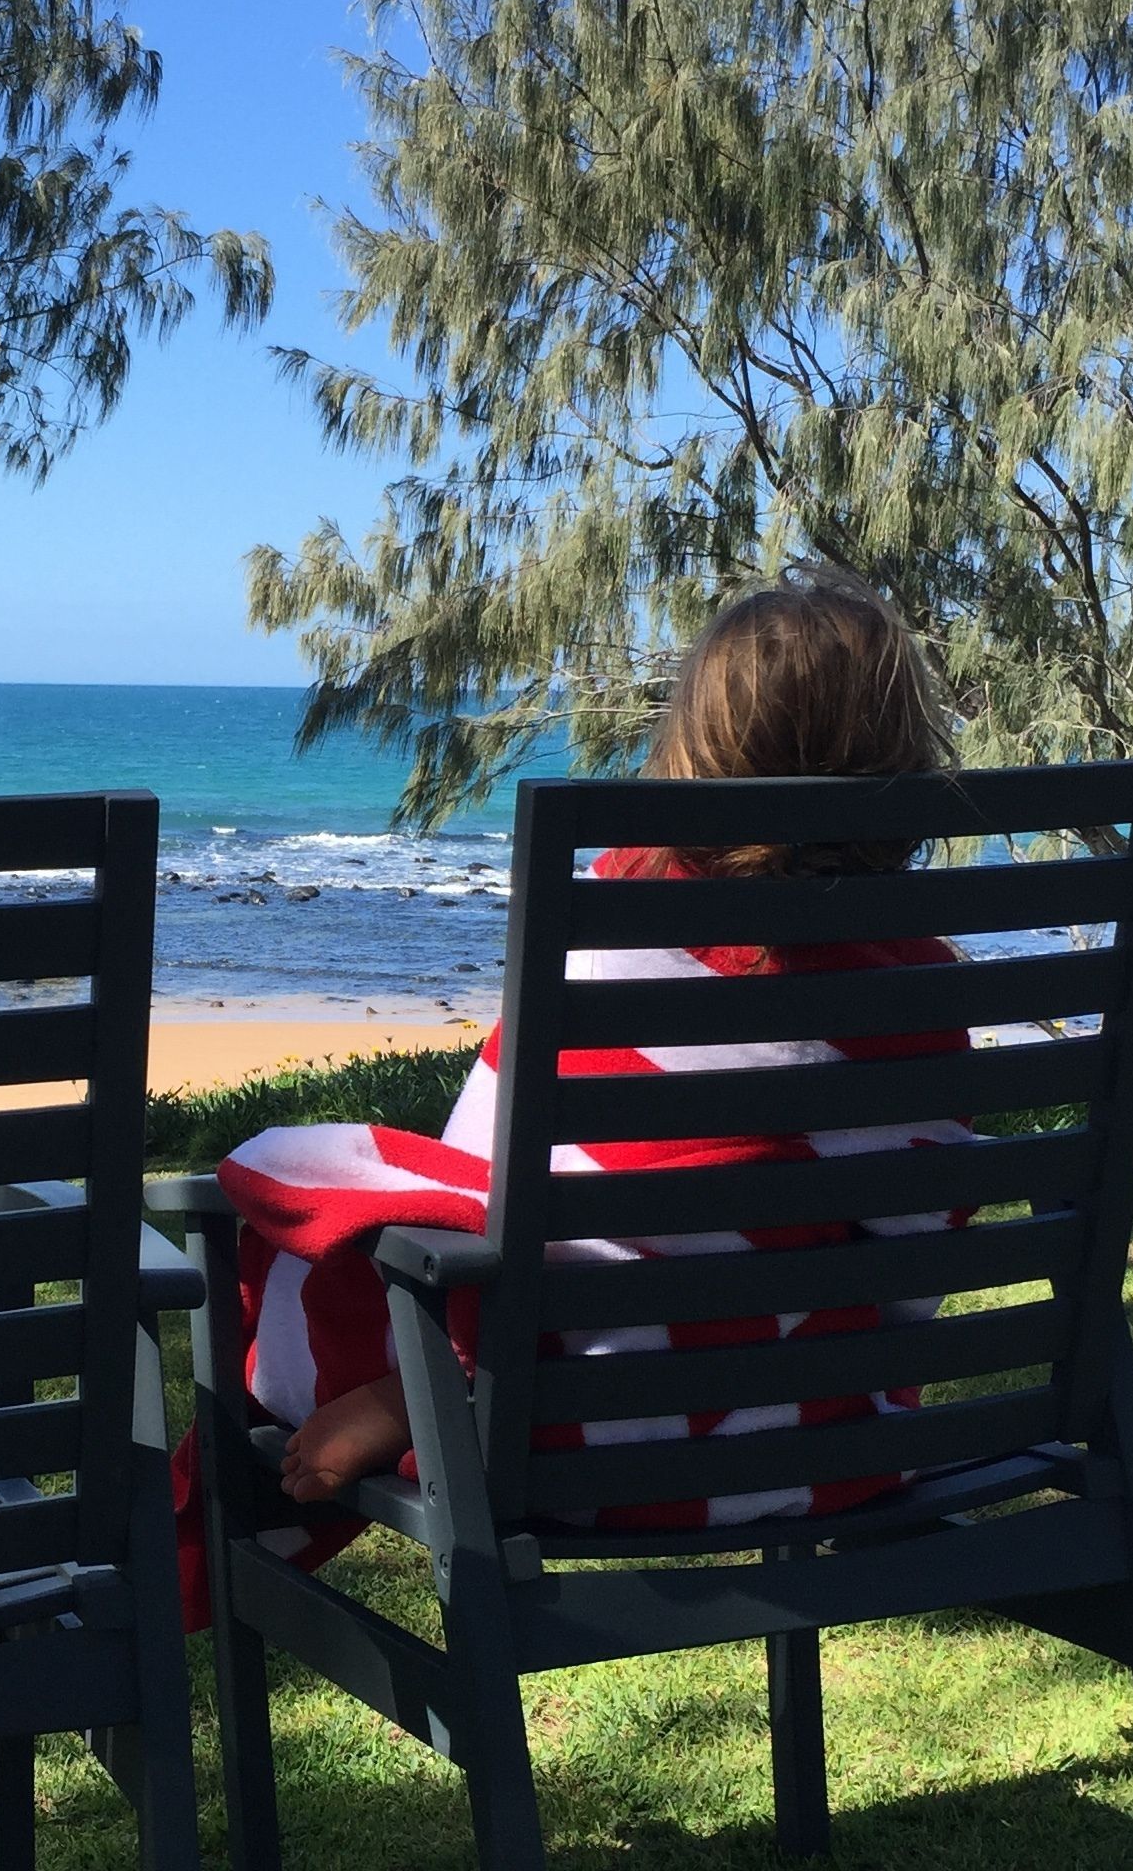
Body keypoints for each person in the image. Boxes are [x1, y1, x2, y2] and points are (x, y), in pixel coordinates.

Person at [173, 568, 974, 1627]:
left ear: (697, 744)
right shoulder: (927, 985)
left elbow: (475, 1192)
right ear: (906, 754)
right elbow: (916, 1270)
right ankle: (437, 1388)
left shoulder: (608, 929)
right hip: (834, 1451)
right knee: (730, 1263)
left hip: (582, 1461)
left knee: (327, 1180)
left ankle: (421, 1393)